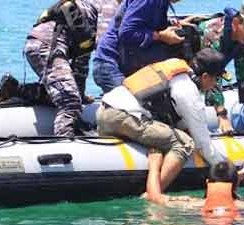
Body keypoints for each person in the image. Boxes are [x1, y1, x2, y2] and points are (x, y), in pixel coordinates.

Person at [0, 0, 135, 136]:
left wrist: (81, 93)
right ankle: (65, 141)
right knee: (70, 103)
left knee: (61, 95)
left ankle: (13, 89)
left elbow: (82, 57)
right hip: (48, 48)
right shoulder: (109, 4)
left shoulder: (91, 1)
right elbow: (105, 44)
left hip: (40, 44)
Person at [97, 48, 229, 195]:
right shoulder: (188, 92)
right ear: (205, 77)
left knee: (170, 134)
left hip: (104, 113)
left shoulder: (174, 67)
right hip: (124, 117)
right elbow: (203, 144)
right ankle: (153, 193)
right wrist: (226, 170)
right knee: (185, 143)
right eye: (217, 79)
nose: (216, 84)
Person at [92, 0, 204, 93]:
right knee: (130, 108)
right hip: (111, 64)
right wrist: (160, 36)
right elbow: (126, 33)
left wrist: (172, 25)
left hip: (127, 62)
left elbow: (146, 24)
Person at [192, 3, 244, 133]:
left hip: (209, 74)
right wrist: (222, 114)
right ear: (236, 22)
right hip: (191, 71)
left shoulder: (241, 38)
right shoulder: (213, 34)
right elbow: (210, 74)